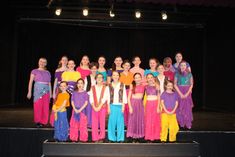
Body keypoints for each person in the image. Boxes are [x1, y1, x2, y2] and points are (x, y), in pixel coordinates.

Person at [27, 57, 52, 128]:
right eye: (41, 61)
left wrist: (51, 93)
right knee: (38, 105)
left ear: (46, 64)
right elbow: (30, 82)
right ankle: (38, 121)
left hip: (46, 90)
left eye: (44, 62)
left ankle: (44, 121)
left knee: (45, 106)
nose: (42, 63)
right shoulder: (34, 71)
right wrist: (29, 92)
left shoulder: (48, 72)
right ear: (38, 62)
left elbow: (49, 83)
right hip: (38, 90)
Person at [107, 71, 127, 142]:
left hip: (120, 106)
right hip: (112, 105)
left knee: (120, 123)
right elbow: (108, 97)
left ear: (119, 76)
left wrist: (123, 106)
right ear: (112, 76)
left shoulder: (122, 85)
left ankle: (120, 138)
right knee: (111, 123)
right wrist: (108, 107)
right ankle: (111, 138)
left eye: (117, 75)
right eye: (114, 75)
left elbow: (124, 96)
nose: (115, 76)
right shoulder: (109, 85)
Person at [89, 73, 110, 142]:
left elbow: (105, 98)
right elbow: (91, 98)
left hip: (102, 107)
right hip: (94, 107)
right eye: (98, 77)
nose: (99, 79)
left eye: (101, 77)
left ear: (103, 79)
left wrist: (99, 106)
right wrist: (94, 107)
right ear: (95, 79)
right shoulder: (92, 87)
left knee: (102, 122)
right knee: (94, 123)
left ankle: (101, 137)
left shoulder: (106, 87)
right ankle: (95, 138)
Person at [174, 60, 194, 129]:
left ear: (186, 66)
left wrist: (187, 93)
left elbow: (191, 84)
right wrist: (180, 94)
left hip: (187, 91)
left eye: (184, 65)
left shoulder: (189, 74)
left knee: (187, 107)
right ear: (179, 66)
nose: (183, 66)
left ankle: (187, 123)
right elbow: (175, 84)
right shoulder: (177, 74)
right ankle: (181, 123)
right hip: (179, 91)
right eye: (181, 65)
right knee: (180, 107)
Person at [126, 73, 145, 142]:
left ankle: (138, 136)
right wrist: (130, 107)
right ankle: (133, 137)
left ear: (141, 78)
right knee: (133, 120)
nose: (137, 79)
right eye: (136, 78)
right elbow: (128, 98)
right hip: (133, 104)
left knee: (139, 119)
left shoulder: (143, 86)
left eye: (139, 77)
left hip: (140, 104)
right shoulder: (132, 85)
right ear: (134, 79)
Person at [50, 55, 68, 127]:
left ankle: (63, 121)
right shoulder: (57, 70)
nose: (64, 61)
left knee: (63, 105)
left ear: (67, 62)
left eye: (66, 60)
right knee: (56, 104)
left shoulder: (68, 70)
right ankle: (54, 121)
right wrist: (54, 92)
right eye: (63, 60)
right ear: (61, 61)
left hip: (65, 89)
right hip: (58, 89)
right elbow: (55, 81)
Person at [144, 73, 161, 142]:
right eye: (148, 78)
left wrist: (158, 106)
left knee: (155, 120)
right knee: (148, 120)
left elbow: (159, 97)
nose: (150, 79)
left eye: (151, 77)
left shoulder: (157, 86)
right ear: (146, 79)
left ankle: (155, 136)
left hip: (155, 103)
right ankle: (148, 136)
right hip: (148, 104)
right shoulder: (146, 86)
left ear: (154, 78)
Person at [119, 60, 134, 127]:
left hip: (130, 92)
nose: (127, 67)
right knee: (123, 108)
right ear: (123, 66)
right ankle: (123, 124)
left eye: (128, 65)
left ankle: (129, 124)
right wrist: (126, 85)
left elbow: (133, 84)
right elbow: (119, 85)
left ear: (130, 67)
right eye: (126, 65)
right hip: (122, 92)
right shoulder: (120, 74)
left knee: (129, 107)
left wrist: (130, 86)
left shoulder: (132, 74)